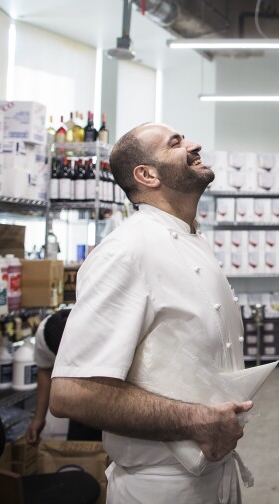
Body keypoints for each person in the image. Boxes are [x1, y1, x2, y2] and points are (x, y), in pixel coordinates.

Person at [49, 123, 253, 503]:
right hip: (161, 487)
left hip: (214, 476)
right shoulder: (126, 252)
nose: (195, 144)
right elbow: (71, 393)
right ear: (147, 175)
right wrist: (195, 420)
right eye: (176, 143)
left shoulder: (192, 239)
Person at [25, 309, 102, 445]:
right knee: (81, 452)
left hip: (107, 391)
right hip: (79, 408)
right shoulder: (45, 335)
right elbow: (45, 371)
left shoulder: (100, 335)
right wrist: (39, 419)